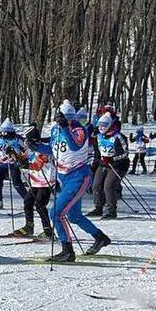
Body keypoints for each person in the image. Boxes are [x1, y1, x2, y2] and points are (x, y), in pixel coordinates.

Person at [47, 100, 110, 262]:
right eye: (62, 117)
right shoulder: (56, 129)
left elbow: (74, 146)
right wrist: (33, 145)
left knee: (55, 213)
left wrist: (66, 127)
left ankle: (67, 250)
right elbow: (53, 148)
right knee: (74, 216)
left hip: (79, 177)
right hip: (64, 177)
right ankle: (100, 237)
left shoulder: (79, 129)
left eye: (67, 118)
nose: (64, 120)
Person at [11, 126, 54, 239]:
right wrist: (14, 154)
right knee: (27, 202)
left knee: (40, 205)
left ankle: (48, 230)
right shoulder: (30, 148)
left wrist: (25, 165)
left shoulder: (42, 150)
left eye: (27, 140)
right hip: (35, 181)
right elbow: (23, 157)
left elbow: (37, 165)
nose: (26, 143)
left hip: (45, 181)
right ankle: (29, 227)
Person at [88, 113, 129, 219]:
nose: (101, 128)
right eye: (100, 125)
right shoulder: (98, 137)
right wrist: (95, 164)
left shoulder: (118, 136)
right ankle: (98, 208)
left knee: (108, 186)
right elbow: (97, 153)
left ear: (110, 125)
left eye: (104, 125)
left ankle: (111, 211)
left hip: (118, 165)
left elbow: (125, 153)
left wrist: (113, 159)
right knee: (96, 185)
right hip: (103, 164)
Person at [0, 118, 27, 209]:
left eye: (6, 132)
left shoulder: (17, 139)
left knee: (17, 184)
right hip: (2, 164)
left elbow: (25, 149)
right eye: (2, 132)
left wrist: (17, 154)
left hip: (13, 164)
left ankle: (29, 201)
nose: (3, 134)